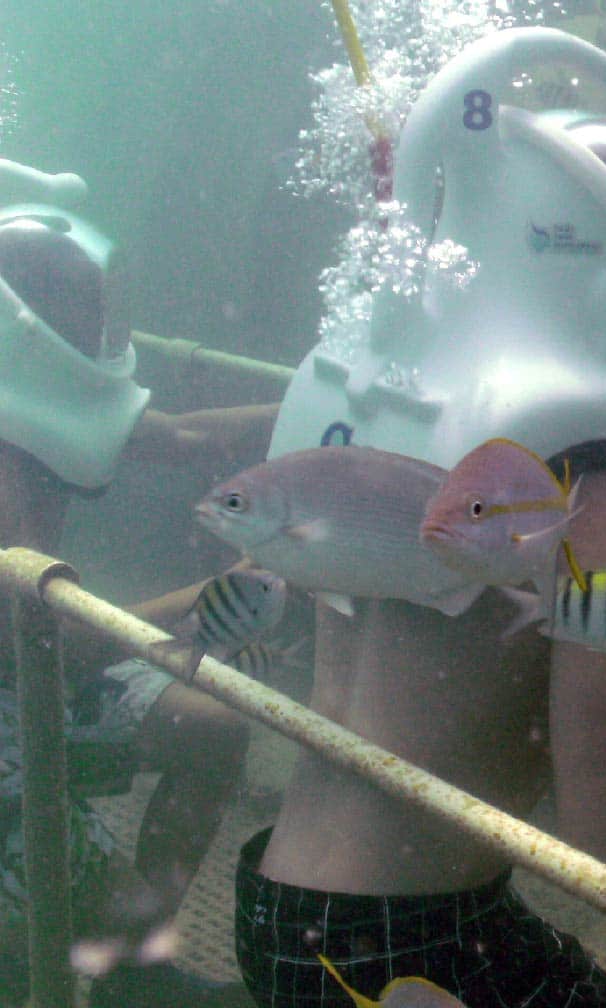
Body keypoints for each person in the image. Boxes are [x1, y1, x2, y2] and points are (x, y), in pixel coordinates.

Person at [232, 29, 606, 1008]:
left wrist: (591, 611)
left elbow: (436, 611)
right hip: (404, 951)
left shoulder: (403, 405)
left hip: (282, 914)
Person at [0, 157, 278, 1006]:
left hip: (31, 671)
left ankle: (133, 962)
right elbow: (49, 640)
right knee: (39, 949)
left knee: (214, 723)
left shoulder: (33, 389)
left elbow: (190, 439)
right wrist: (227, 592)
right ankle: (85, 934)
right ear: (32, 321)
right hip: (20, 681)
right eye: (88, 313)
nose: (106, 331)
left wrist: (342, 411)